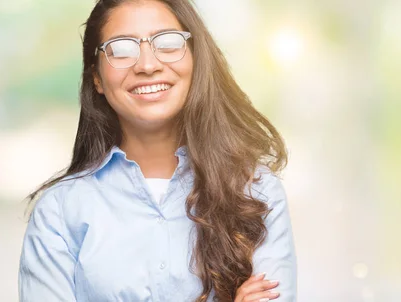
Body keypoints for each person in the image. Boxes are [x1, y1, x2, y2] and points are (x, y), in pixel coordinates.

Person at [18, 0, 297, 301]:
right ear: (96, 77)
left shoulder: (256, 193)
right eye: (121, 49)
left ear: (195, 59)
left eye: (167, 43)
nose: (148, 65)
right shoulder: (60, 211)